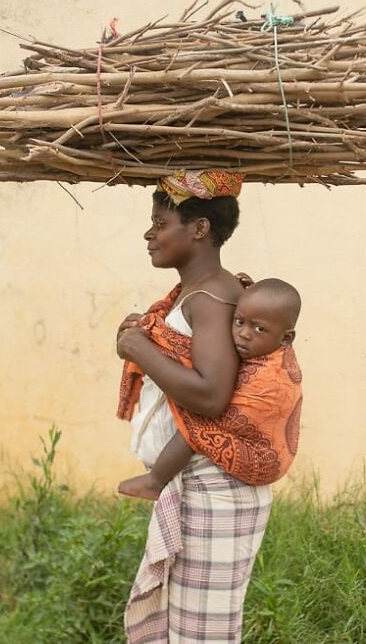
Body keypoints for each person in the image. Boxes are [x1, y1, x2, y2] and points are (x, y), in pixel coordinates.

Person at [115, 170, 302, 644]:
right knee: (187, 631)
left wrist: (141, 350)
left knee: (203, 636)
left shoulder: (214, 299)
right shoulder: (199, 294)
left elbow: (211, 397)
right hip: (200, 487)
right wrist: (145, 340)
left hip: (215, 490)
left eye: (160, 222)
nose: (149, 233)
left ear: (198, 229)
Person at [117, 277, 302, 501]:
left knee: (198, 420)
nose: (244, 333)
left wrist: (155, 351)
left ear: (286, 338)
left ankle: (155, 481)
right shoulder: (264, 343)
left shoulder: (271, 377)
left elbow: (215, 403)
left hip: (260, 458)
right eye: (238, 321)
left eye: (259, 328)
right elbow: (268, 312)